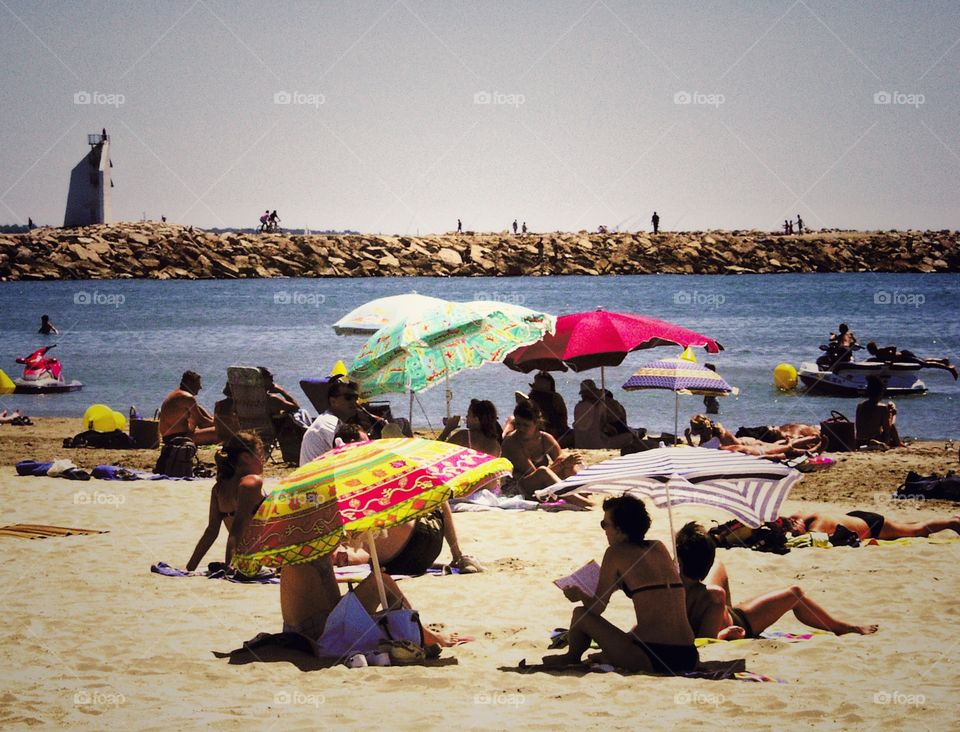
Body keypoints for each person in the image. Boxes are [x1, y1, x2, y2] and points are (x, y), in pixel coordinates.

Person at [542, 496, 698, 672]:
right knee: (628, 638)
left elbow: (596, 608)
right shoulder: (659, 547)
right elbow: (649, 589)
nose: (604, 530)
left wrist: (578, 594)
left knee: (581, 614)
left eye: (605, 524)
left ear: (619, 529)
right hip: (689, 655)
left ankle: (571, 657)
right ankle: (607, 655)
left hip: (654, 654)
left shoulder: (614, 553)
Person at [677, 522, 877, 639]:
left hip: (723, 611)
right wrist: (726, 634)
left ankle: (725, 610)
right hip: (741, 622)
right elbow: (706, 642)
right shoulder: (713, 596)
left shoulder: (668, 583)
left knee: (719, 566)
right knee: (795, 594)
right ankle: (843, 628)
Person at [186, 432, 268, 573]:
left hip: (242, 557)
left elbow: (211, 532)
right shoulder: (251, 482)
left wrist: (190, 567)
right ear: (246, 457)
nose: (263, 460)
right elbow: (238, 526)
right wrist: (231, 566)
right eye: (260, 455)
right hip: (255, 558)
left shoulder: (219, 488)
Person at [501, 401, 585, 504]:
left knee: (568, 465)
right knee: (544, 471)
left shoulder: (545, 438)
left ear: (536, 423)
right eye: (518, 424)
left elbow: (561, 459)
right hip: (517, 487)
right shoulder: (512, 442)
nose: (520, 428)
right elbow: (536, 474)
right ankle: (583, 502)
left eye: (525, 425)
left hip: (538, 484)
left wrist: (567, 463)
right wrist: (562, 464)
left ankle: (584, 493)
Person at [686, 415, 817, 459]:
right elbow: (702, 449)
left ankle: (810, 443)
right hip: (746, 443)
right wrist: (688, 440)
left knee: (780, 448)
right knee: (779, 446)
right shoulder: (712, 436)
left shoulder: (720, 435)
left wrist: (689, 440)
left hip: (748, 445)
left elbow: (735, 446)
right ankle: (807, 446)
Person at [785, 509, 960, 542]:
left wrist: (800, 534)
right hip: (857, 517)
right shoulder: (803, 515)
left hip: (872, 526)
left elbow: (813, 540)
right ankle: (950, 520)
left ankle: (952, 522)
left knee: (917, 531)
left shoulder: (817, 525)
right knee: (903, 527)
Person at [300, 376, 360, 463]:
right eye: (348, 397)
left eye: (355, 397)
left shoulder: (331, 419)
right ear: (333, 401)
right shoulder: (329, 422)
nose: (354, 402)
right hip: (317, 475)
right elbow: (347, 456)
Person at [572, 380, 640, 450]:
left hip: (579, 444)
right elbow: (605, 425)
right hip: (596, 444)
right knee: (628, 437)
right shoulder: (599, 406)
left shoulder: (577, 406)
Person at [158, 370, 218, 445]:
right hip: (177, 438)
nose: (200, 387)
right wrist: (223, 425)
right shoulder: (187, 397)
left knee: (198, 407)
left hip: (170, 436)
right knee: (220, 432)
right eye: (198, 384)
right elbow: (202, 423)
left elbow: (200, 415)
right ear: (189, 383)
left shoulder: (177, 393)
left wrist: (214, 420)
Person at [855, 376, 905, 448]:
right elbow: (888, 430)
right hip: (875, 440)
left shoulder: (860, 406)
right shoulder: (882, 408)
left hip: (859, 441)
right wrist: (893, 414)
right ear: (880, 392)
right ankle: (899, 443)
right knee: (892, 425)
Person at [865, 342, 958, 379]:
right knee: (923, 360)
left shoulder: (880, 351)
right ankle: (943, 361)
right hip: (904, 356)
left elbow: (893, 347)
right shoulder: (877, 355)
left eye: (869, 350)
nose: (869, 352)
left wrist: (893, 360)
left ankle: (949, 368)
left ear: (873, 349)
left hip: (905, 356)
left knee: (925, 364)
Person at [525, 371, 570, 445]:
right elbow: (563, 420)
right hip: (554, 433)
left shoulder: (533, 397)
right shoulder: (556, 397)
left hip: (550, 433)